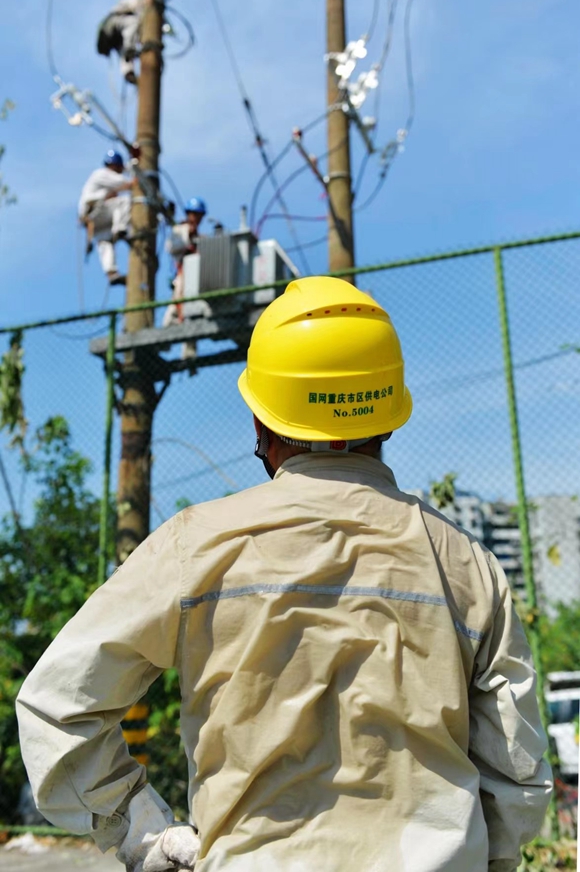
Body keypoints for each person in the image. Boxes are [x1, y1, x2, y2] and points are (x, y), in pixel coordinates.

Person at [17, 277, 552, 872]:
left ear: (260, 425)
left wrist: (143, 833)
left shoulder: (196, 547)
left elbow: (57, 706)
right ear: (390, 415)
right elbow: (519, 774)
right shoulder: (467, 565)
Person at [78, 151, 134, 286]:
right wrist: (136, 172)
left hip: (94, 219)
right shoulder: (102, 174)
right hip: (94, 212)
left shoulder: (103, 176)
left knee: (104, 241)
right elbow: (126, 183)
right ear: (115, 165)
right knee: (124, 202)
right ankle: (120, 230)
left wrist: (131, 166)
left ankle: (111, 273)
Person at [163, 196, 207, 327]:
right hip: (183, 271)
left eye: (199, 215)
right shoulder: (180, 229)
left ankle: (183, 324)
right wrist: (188, 237)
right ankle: (168, 328)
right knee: (178, 297)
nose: (197, 218)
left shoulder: (198, 234)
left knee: (189, 302)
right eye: (194, 214)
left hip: (195, 274)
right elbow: (170, 247)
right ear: (188, 214)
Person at [97, 0, 145, 85]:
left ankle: (128, 72)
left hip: (116, 33)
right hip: (112, 25)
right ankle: (129, 48)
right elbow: (134, 4)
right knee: (133, 23)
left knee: (123, 48)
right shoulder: (138, 0)